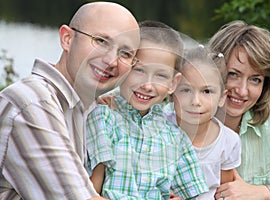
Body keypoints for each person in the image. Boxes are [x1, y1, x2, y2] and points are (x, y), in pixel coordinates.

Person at [0, 2, 140, 199]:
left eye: (125, 53)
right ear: (67, 39)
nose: (111, 61)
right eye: (101, 41)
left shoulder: (93, 110)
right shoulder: (31, 103)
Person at [86, 20, 209, 199]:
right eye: (139, 70)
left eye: (160, 75)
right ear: (124, 66)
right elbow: (92, 191)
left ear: (173, 83)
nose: (148, 85)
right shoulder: (104, 117)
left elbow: (195, 193)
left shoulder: (176, 138)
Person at [208, 20, 270, 200]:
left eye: (255, 79)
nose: (242, 91)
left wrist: (262, 192)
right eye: (233, 74)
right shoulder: (180, 114)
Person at [164, 45, 241, 199]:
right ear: (172, 91)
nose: (195, 101)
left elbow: (223, 193)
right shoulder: (158, 128)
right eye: (186, 90)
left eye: (207, 91)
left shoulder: (228, 142)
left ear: (222, 97)